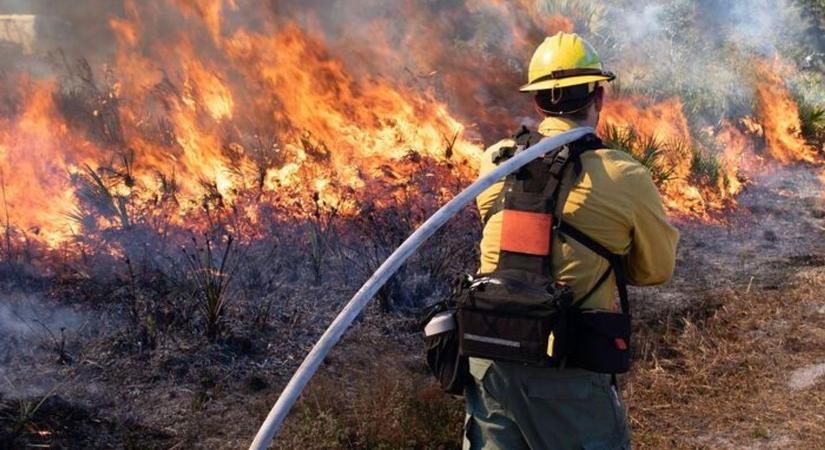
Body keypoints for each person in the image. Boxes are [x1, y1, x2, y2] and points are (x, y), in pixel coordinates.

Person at [466, 32, 680, 449]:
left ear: (537, 101)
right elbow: (654, 271)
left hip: (490, 362)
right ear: (599, 96)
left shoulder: (495, 161)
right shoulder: (624, 175)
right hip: (566, 369)